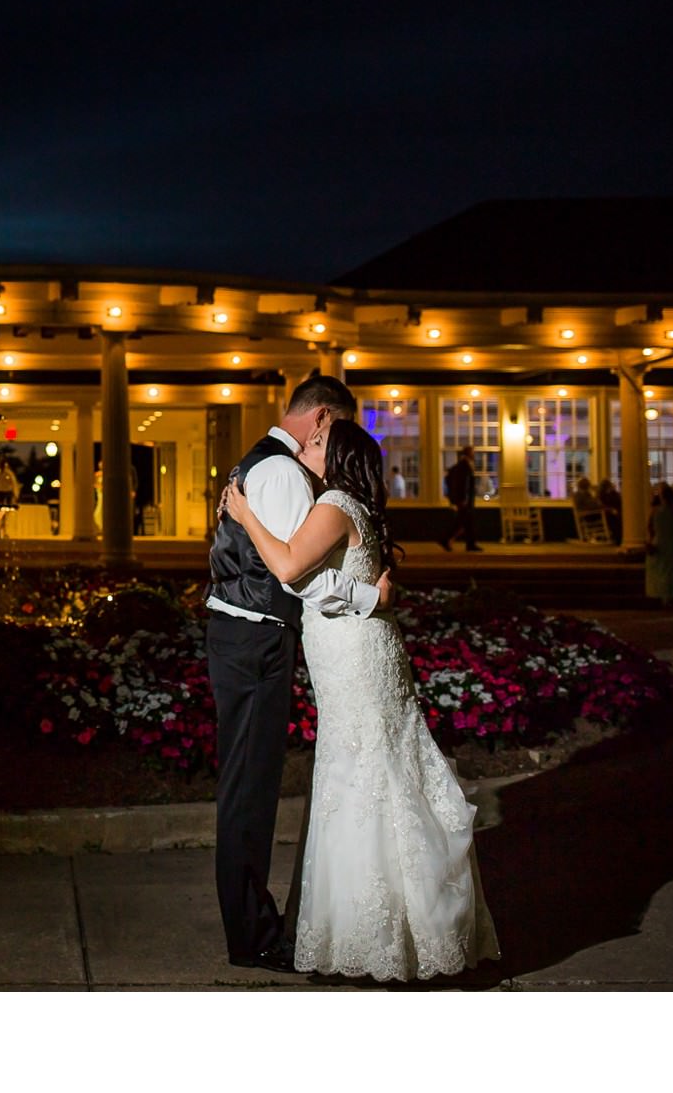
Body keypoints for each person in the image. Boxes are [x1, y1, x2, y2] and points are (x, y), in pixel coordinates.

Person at [224, 417, 499, 981]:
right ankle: (392, 930)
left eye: (319, 442)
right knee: (372, 775)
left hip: (354, 658)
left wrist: (245, 513)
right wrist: (370, 595)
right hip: (360, 651)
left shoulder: (334, 505)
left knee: (362, 778)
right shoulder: (355, 505)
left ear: (340, 455)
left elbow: (287, 567)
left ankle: (379, 935)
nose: (308, 445)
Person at [203, 373, 393, 973]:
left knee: (251, 788)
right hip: (255, 639)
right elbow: (295, 574)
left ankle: (257, 925)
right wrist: (369, 597)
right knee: (249, 793)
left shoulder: (264, 465)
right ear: (321, 420)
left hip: (246, 635)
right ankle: (253, 936)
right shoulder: (284, 472)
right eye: (333, 430)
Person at [645, 482, 673, 606]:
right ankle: (669, 595)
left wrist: (651, 540)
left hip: (659, 540)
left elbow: (649, 527)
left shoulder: (654, 511)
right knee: (671, 570)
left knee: (659, 569)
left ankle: (658, 594)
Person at [442, 446, 482, 551]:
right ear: (468, 453)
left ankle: (470, 544)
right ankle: (446, 539)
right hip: (465, 500)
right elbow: (464, 483)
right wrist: (463, 498)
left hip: (465, 499)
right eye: (473, 453)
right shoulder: (464, 466)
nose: (474, 455)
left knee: (466, 522)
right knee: (463, 522)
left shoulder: (461, 465)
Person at [597, 476, 623, 544]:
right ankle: (618, 539)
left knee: (620, 518)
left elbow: (618, 500)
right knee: (616, 521)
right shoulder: (601, 495)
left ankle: (619, 537)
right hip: (608, 512)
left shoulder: (612, 493)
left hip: (616, 510)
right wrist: (611, 510)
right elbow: (601, 505)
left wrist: (613, 491)